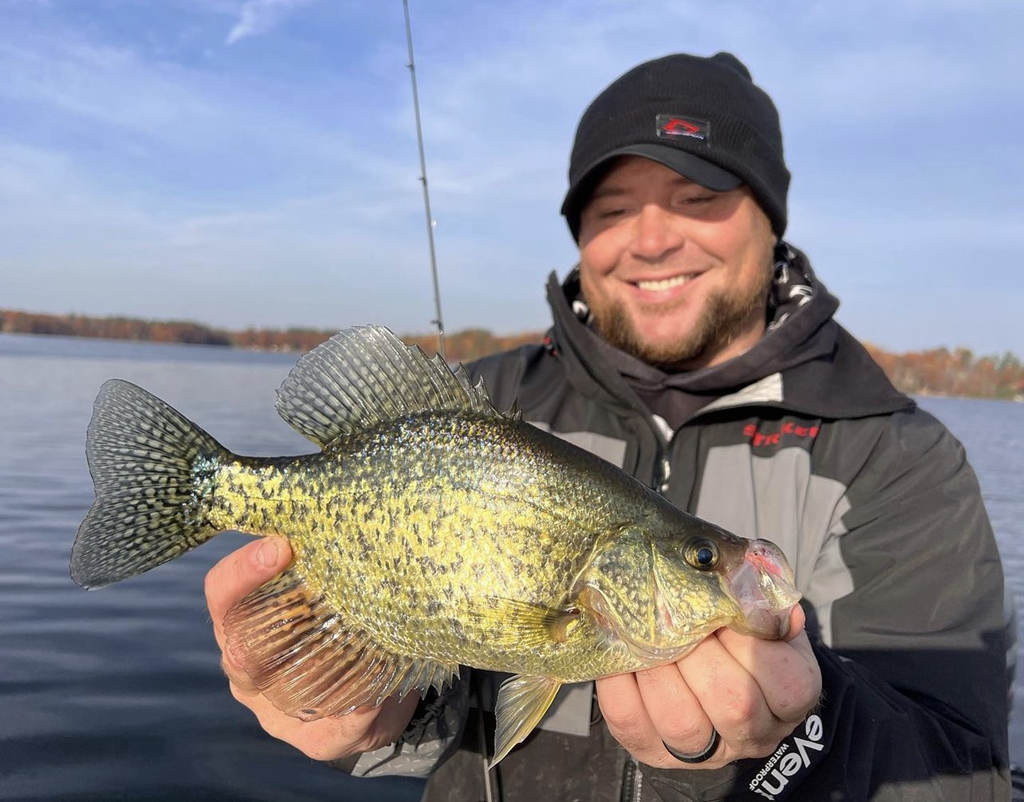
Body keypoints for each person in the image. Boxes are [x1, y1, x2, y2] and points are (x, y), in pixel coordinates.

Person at [204, 52, 1012, 800]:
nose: (652, 238)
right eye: (613, 208)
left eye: (699, 199)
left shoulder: (899, 459)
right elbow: (448, 697)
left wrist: (803, 735)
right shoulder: (485, 402)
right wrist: (368, 715)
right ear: (581, 236)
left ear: (772, 219)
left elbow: (962, 770)